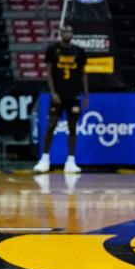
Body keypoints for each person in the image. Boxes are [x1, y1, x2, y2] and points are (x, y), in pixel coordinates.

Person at [33, 23, 88, 174]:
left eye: (69, 31)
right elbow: (48, 73)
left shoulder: (79, 51)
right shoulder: (52, 50)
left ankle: (71, 161)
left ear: (72, 34)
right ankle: (44, 159)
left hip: (74, 95)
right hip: (58, 95)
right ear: (60, 33)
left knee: (72, 127)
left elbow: (84, 74)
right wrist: (53, 92)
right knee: (52, 125)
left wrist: (86, 94)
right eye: (64, 31)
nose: (67, 33)